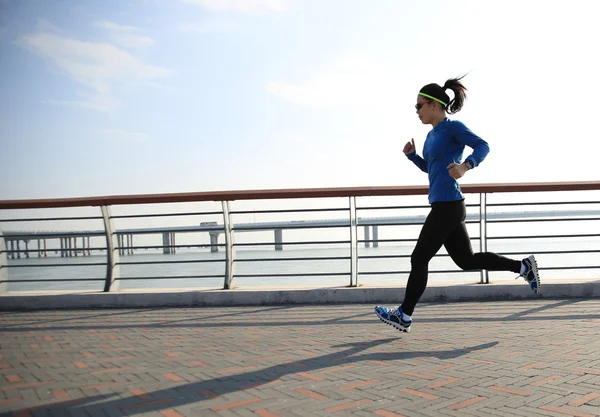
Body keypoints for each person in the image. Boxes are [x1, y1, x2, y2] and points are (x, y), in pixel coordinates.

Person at [375, 76, 540, 333]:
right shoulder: (430, 137)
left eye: (419, 106)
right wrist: (412, 157)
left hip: (448, 207)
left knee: (419, 258)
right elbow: (431, 170)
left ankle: (404, 315)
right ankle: (522, 266)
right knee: (466, 260)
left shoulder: (453, 128)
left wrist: (466, 166)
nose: (416, 111)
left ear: (435, 105)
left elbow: (483, 146)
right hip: (445, 205)